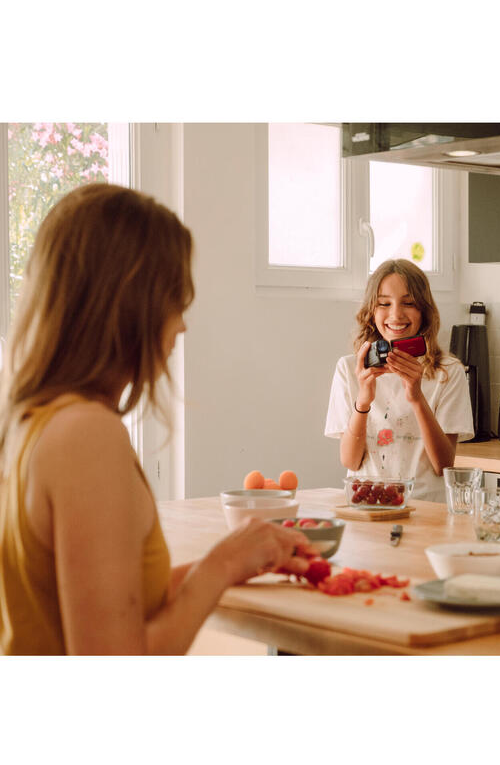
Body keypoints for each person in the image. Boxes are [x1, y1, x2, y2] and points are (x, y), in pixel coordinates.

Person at [0, 183, 318, 655]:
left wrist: (237, 558)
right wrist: (220, 568)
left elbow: (108, 603)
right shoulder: (86, 434)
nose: (182, 325)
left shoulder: (33, 418)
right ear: (130, 306)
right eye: (175, 300)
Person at [325, 259, 473, 502]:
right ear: (371, 312)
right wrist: (363, 400)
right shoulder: (349, 368)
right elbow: (350, 460)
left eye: (409, 303)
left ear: (424, 311)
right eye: (384, 303)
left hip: (425, 508)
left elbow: (443, 465)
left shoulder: (448, 371)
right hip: (366, 504)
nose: (396, 314)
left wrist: (416, 397)